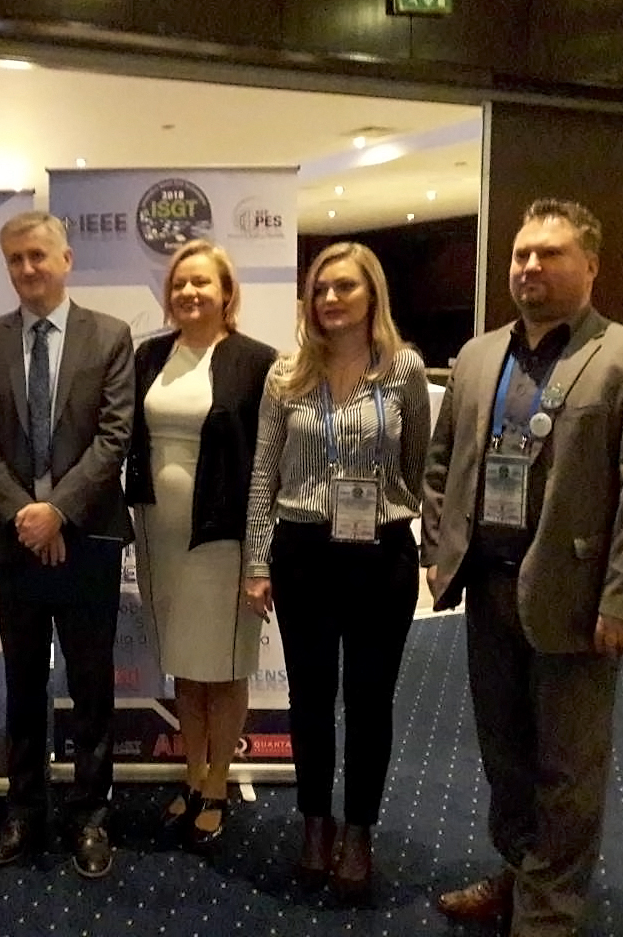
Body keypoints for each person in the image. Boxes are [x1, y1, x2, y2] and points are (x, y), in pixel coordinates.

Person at [423, 199, 623, 936]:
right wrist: (438, 550)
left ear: (592, 265)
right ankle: (519, 875)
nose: (530, 267)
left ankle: (548, 913)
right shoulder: (479, 357)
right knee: (505, 753)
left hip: (575, 598)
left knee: (567, 768)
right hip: (488, 589)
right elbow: (443, 465)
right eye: (521, 254)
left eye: (550, 253)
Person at [244, 242, 430, 900]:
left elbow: (417, 464)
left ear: (372, 294)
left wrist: (411, 527)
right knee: (311, 699)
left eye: (344, 286)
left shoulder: (404, 369)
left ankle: (359, 830)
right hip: (303, 554)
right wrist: (256, 560)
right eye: (319, 289)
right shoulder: (286, 373)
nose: (329, 299)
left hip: (382, 555)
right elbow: (264, 472)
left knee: (372, 701)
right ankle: (315, 823)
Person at [0, 211, 134, 879]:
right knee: (23, 683)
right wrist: (26, 515)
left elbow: (115, 435)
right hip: (15, 543)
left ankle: (90, 814)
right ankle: (24, 809)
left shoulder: (110, 336)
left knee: (91, 685)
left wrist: (57, 512)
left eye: (37, 255)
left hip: (88, 539)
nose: (27, 269)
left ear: (66, 259)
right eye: (15, 259)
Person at [124, 239, 277, 846]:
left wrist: (262, 553)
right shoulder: (149, 355)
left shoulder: (257, 361)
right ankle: (191, 776)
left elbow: (267, 462)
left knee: (225, 666)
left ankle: (217, 783)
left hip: (223, 538)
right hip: (157, 535)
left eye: (202, 282)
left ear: (227, 293)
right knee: (185, 666)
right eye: (180, 283)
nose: (189, 292)